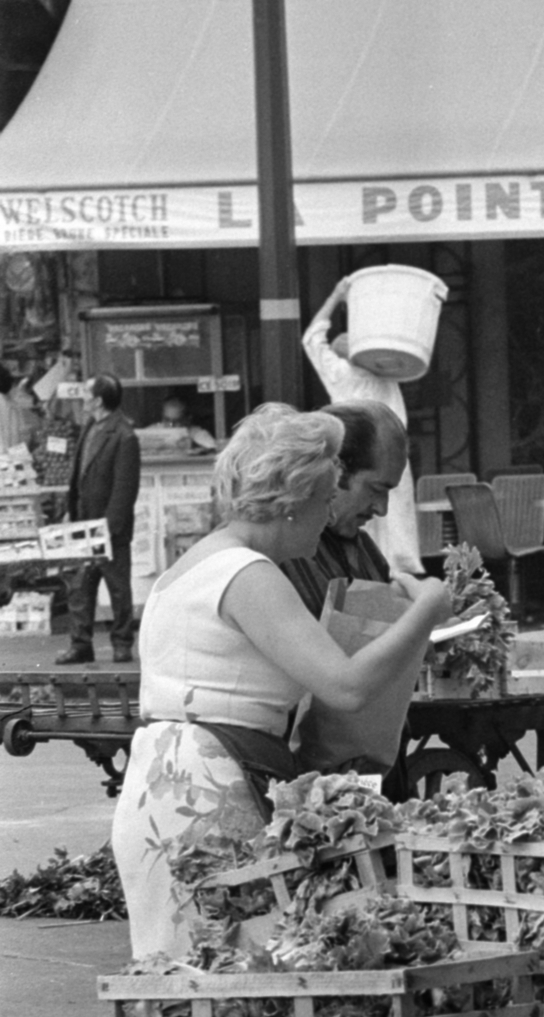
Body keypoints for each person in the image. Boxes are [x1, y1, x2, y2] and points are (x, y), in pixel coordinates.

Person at [110, 403, 452, 959]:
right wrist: (427, 610)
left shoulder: (203, 560)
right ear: (292, 502)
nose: (328, 515)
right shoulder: (249, 575)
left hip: (175, 785)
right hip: (207, 794)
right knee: (235, 966)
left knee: (190, 968)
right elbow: (345, 687)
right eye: (324, 499)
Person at [302, 276, 423, 575]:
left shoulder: (351, 374)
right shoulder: (371, 374)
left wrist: (335, 295)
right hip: (379, 454)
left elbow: (313, 338)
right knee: (389, 526)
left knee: (378, 521)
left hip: (372, 456)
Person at [282, 402, 408, 616]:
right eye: (376, 489)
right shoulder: (275, 553)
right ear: (334, 471)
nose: (382, 509)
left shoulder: (366, 552)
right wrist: (427, 605)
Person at [56, 374, 141, 664]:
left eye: (86, 393)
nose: (82, 397)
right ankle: (81, 643)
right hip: (83, 522)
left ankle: (122, 642)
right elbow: (79, 475)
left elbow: (125, 489)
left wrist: (109, 527)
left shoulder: (124, 435)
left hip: (109, 527)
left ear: (98, 400)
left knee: (117, 588)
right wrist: (71, 510)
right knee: (80, 587)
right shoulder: (90, 426)